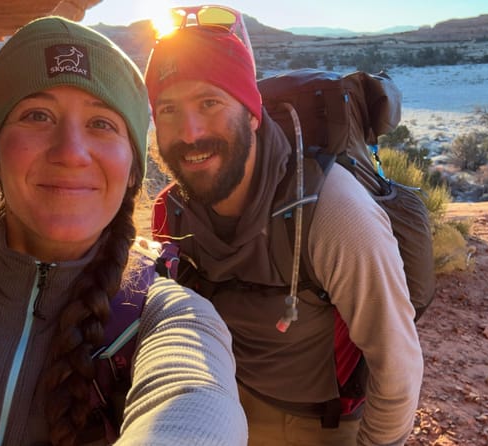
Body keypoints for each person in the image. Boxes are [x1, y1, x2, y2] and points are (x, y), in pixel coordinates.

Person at [0, 16, 247, 446]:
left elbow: (196, 402)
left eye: (102, 123)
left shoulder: (168, 318)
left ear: (131, 169)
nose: (71, 152)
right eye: (38, 115)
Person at [144, 19, 423, 446]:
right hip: (223, 403)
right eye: (168, 109)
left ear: (252, 111)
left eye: (209, 102)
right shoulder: (172, 210)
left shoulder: (333, 213)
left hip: (323, 426)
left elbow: (397, 365)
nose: (190, 132)